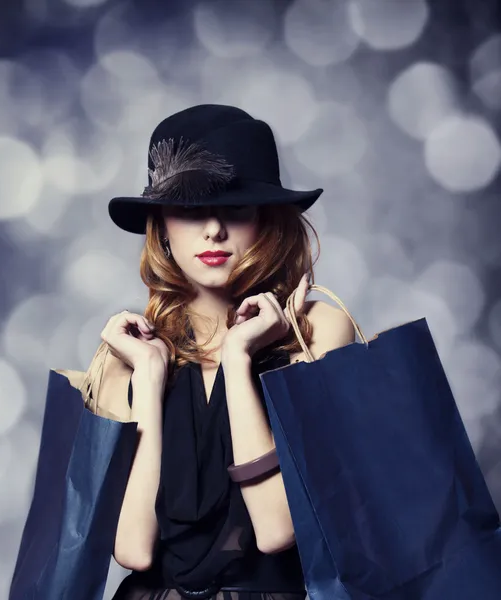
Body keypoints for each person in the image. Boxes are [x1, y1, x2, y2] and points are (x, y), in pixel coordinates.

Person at [104, 104, 356, 600]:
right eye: (190, 210)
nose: (213, 229)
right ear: (161, 225)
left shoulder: (316, 330)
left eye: (236, 208)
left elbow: (277, 529)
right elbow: (134, 550)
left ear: (265, 219)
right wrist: (150, 385)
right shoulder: (131, 353)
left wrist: (240, 360)